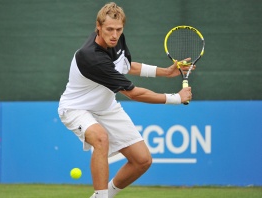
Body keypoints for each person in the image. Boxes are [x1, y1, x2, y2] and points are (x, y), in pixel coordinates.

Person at [58, 2, 193, 198]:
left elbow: (128, 66)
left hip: (105, 107)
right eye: (109, 29)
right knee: (101, 138)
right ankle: (101, 196)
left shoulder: (117, 41)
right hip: (76, 108)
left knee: (142, 160)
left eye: (118, 29)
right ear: (98, 27)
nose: (114, 34)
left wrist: (166, 72)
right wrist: (175, 98)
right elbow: (133, 93)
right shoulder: (90, 57)